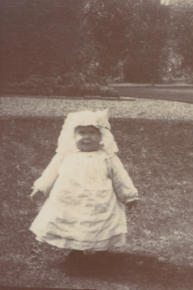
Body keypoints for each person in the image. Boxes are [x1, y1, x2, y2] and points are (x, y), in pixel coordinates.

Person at [29, 109, 139, 261]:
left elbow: (120, 177)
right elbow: (51, 172)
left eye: (92, 133)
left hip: (100, 200)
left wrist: (129, 196)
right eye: (82, 133)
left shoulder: (107, 157)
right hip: (70, 199)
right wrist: (41, 187)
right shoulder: (66, 155)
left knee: (98, 223)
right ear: (73, 136)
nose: (87, 137)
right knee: (74, 222)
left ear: (101, 136)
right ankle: (77, 250)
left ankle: (100, 249)